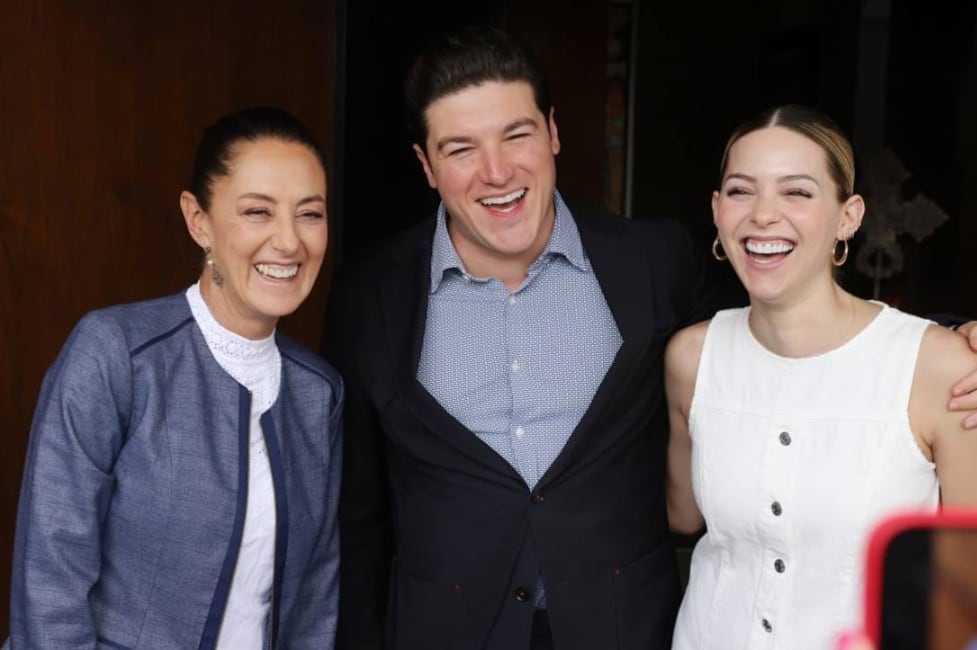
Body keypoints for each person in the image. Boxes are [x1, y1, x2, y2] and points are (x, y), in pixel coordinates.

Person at [324, 27, 977, 650]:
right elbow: (356, 514)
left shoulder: (652, 260)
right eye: (460, 149)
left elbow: (787, 316)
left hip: (620, 629)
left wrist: (948, 342)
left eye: (516, 135)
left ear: (553, 132)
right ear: (426, 165)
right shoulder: (371, 295)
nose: (495, 172)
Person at [7, 107, 343, 649]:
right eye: (257, 211)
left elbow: (314, 602)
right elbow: (50, 585)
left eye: (310, 214)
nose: (288, 241)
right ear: (198, 220)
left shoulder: (317, 393)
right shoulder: (116, 354)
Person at [665, 105, 977, 650]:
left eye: (796, 192)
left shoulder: (939, 366)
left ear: (848, 217)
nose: (764, 215)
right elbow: (683, 515)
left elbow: (966, 583)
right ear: (717, 211)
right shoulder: (692, 357)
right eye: (741, 191)